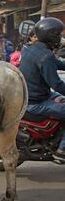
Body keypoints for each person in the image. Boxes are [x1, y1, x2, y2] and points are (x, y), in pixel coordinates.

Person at [19, 17, 65, 160]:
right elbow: (56, 84)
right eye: (58, 34)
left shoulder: (30, 48)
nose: (60, 37)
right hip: (36, 102)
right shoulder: (45, 56)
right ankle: (62, 150)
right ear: (50, 35)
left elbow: (57, 63)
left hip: (29, 96)